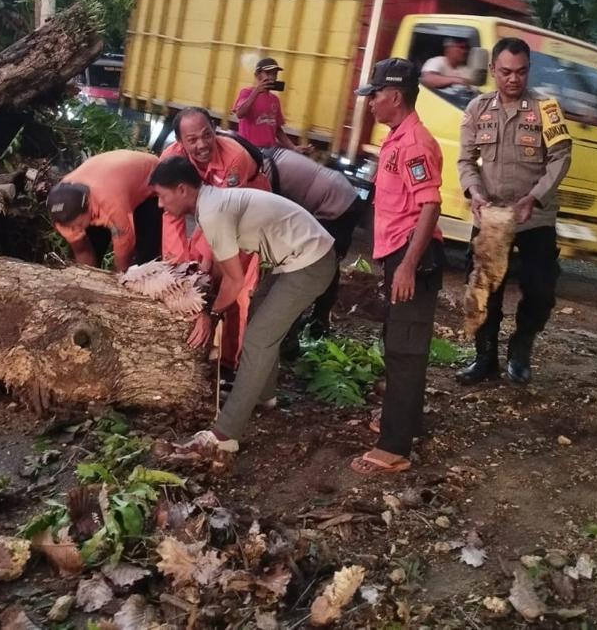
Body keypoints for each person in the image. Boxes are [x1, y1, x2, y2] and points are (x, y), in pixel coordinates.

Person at [149, 156, 336, 455]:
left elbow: (234, 282)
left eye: (162, 195)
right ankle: (263, 395)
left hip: (311, 262)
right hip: (299, 258)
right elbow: (225, 269)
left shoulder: (213, 212)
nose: (160, 204)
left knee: (258, 338)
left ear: (182, 189)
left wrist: (210, 315)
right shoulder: (211, 203)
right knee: (260, 317)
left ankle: (225, 434)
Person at [455, 37, 572, 386]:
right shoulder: (477, 108)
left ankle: (520, 350)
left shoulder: (546, 109)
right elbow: (465, 160)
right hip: (491, 218)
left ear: (529, 70)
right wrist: (475, 192)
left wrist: (534, 198)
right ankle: (485, 358)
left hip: (534, 218)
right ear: (493, 69)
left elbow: (561, 157)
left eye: (521, 72)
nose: (513, 79)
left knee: (540, 291)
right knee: (484, 290)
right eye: (506, 71)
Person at [350, 58, 443, 476]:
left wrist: (407, 265)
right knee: (398, 340)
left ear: (395, 96)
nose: (370, 103)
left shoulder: (415, 143)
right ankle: (404, 422)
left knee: (406, 349)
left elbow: (430, 205)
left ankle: (395, 447)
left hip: (412, 258)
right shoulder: (397, 137)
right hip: (398, 254)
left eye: (375, 95)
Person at [161, 108, 271, 368]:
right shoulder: (169, 162)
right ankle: (198, 348)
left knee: (233, 285)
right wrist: (179, 272)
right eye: (192, 140)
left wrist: (207, 266)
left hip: (246, 213)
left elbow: (223, 220)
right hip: (211, 212)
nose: (202, 145)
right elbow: (171, 215)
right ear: (180, 142)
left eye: (207, 135)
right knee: (191, 271)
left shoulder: (235, 158)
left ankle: (230, 362)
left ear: (214, 130)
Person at [261, 146, 365, 346]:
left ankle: (299, 331)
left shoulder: (262, 172)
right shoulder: (267, 158)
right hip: (342, 196)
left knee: (312, 262)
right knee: (324, 262)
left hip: (337, 205)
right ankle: (317, 318)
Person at [47, 150, 162, 272]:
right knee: (94, 242)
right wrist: (85, 276)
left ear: (88, 207)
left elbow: (124, 248)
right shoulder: (60, 217)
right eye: (71, 226)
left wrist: (119, 277)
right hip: (111, 185)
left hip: (150, 181)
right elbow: (81, 250)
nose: (75, 229)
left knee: (146, 253)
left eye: (78, 224)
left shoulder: (110, 203)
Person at [233, 57, 310, 151]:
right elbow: (239, 114)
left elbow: (277, 129)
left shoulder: (275, 99)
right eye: (268, 73)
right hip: (249, 148)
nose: (272, 77)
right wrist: (256, 92)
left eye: (275, 74)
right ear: (257, 74)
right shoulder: (246, 92)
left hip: (269, 149)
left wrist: (293, 147)